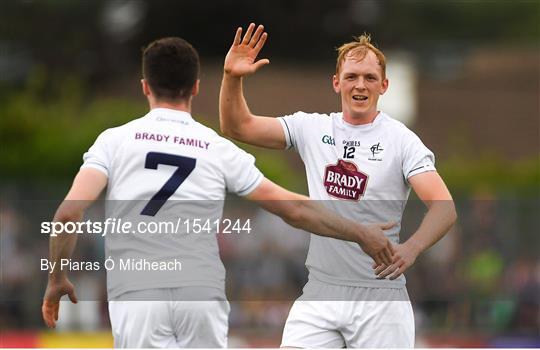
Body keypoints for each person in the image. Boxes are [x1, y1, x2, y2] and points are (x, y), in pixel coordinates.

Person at [41, 37, 397, 348]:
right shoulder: (215, 147)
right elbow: (293, 209)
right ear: (196, 87)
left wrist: (57, 277)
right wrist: (358, 232)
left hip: (139, 290)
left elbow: (69, 213)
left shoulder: (114, 141)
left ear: (145, 86)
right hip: (201, 293)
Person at [220, 23, 457, 347]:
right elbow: (237, 126)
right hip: (321, 291)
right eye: (352, 76)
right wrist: (233, 77)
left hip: (380, 298)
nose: (360, 85)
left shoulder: (401, 140)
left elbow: (445, 208)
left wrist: (411, 249)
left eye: (370, 78)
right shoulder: (311, 127)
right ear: (337, 83)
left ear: (384, 85)